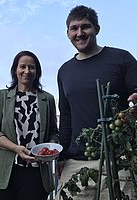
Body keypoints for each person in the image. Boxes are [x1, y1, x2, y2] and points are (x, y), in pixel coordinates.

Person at [56, 5, 137, 200]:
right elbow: (66, 117)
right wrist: (61, 157)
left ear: (97, 29)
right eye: (74, 28)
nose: (80, 33)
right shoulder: (65, 71)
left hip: (119, 161)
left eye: (85, 27)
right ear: (67, 33)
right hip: (75, 164)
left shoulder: (122, 58)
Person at [0, 50, 59, 200]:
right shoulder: (2, 96)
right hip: (4, 172)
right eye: (22, 66)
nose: (27, 71)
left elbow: (53, 132)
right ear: (15, 70)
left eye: (31, 67)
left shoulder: (48, 99)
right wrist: (16, 149)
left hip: (36, 173)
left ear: (37, 71)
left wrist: (49, 149)